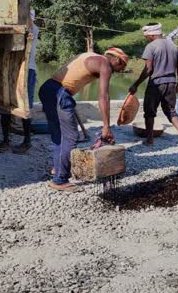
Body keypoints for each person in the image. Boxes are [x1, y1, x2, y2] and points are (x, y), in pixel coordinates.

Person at [39, 48, 129, 191]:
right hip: (60, 93)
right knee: (69, 136)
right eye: (122, 66)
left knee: (60, 135)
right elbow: (103, 96)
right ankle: (60, 180)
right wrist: (106, 126)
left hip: (49, 88)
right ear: (117, 59)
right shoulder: (104, 64)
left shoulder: (91, 56)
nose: (120, 70)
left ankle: (58, 168)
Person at [129, 23, 178, 148]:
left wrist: (136, 84)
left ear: (151, 34)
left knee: (149, 112)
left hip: (156, 84)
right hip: (171, 82)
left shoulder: (151, 47)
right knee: (171, 111)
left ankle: (150, 140)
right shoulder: (173, 46)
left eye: (146, 36)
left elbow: (148, 69)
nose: (146, 38)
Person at [0, 9, 39, 153]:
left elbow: (28, 24)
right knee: (5, 105)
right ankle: (5, 140)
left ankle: (27, 142)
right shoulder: (12, 30)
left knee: (25, 107)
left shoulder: (33, 28)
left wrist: (23, 11)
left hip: (28, 72)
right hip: (9, 70)